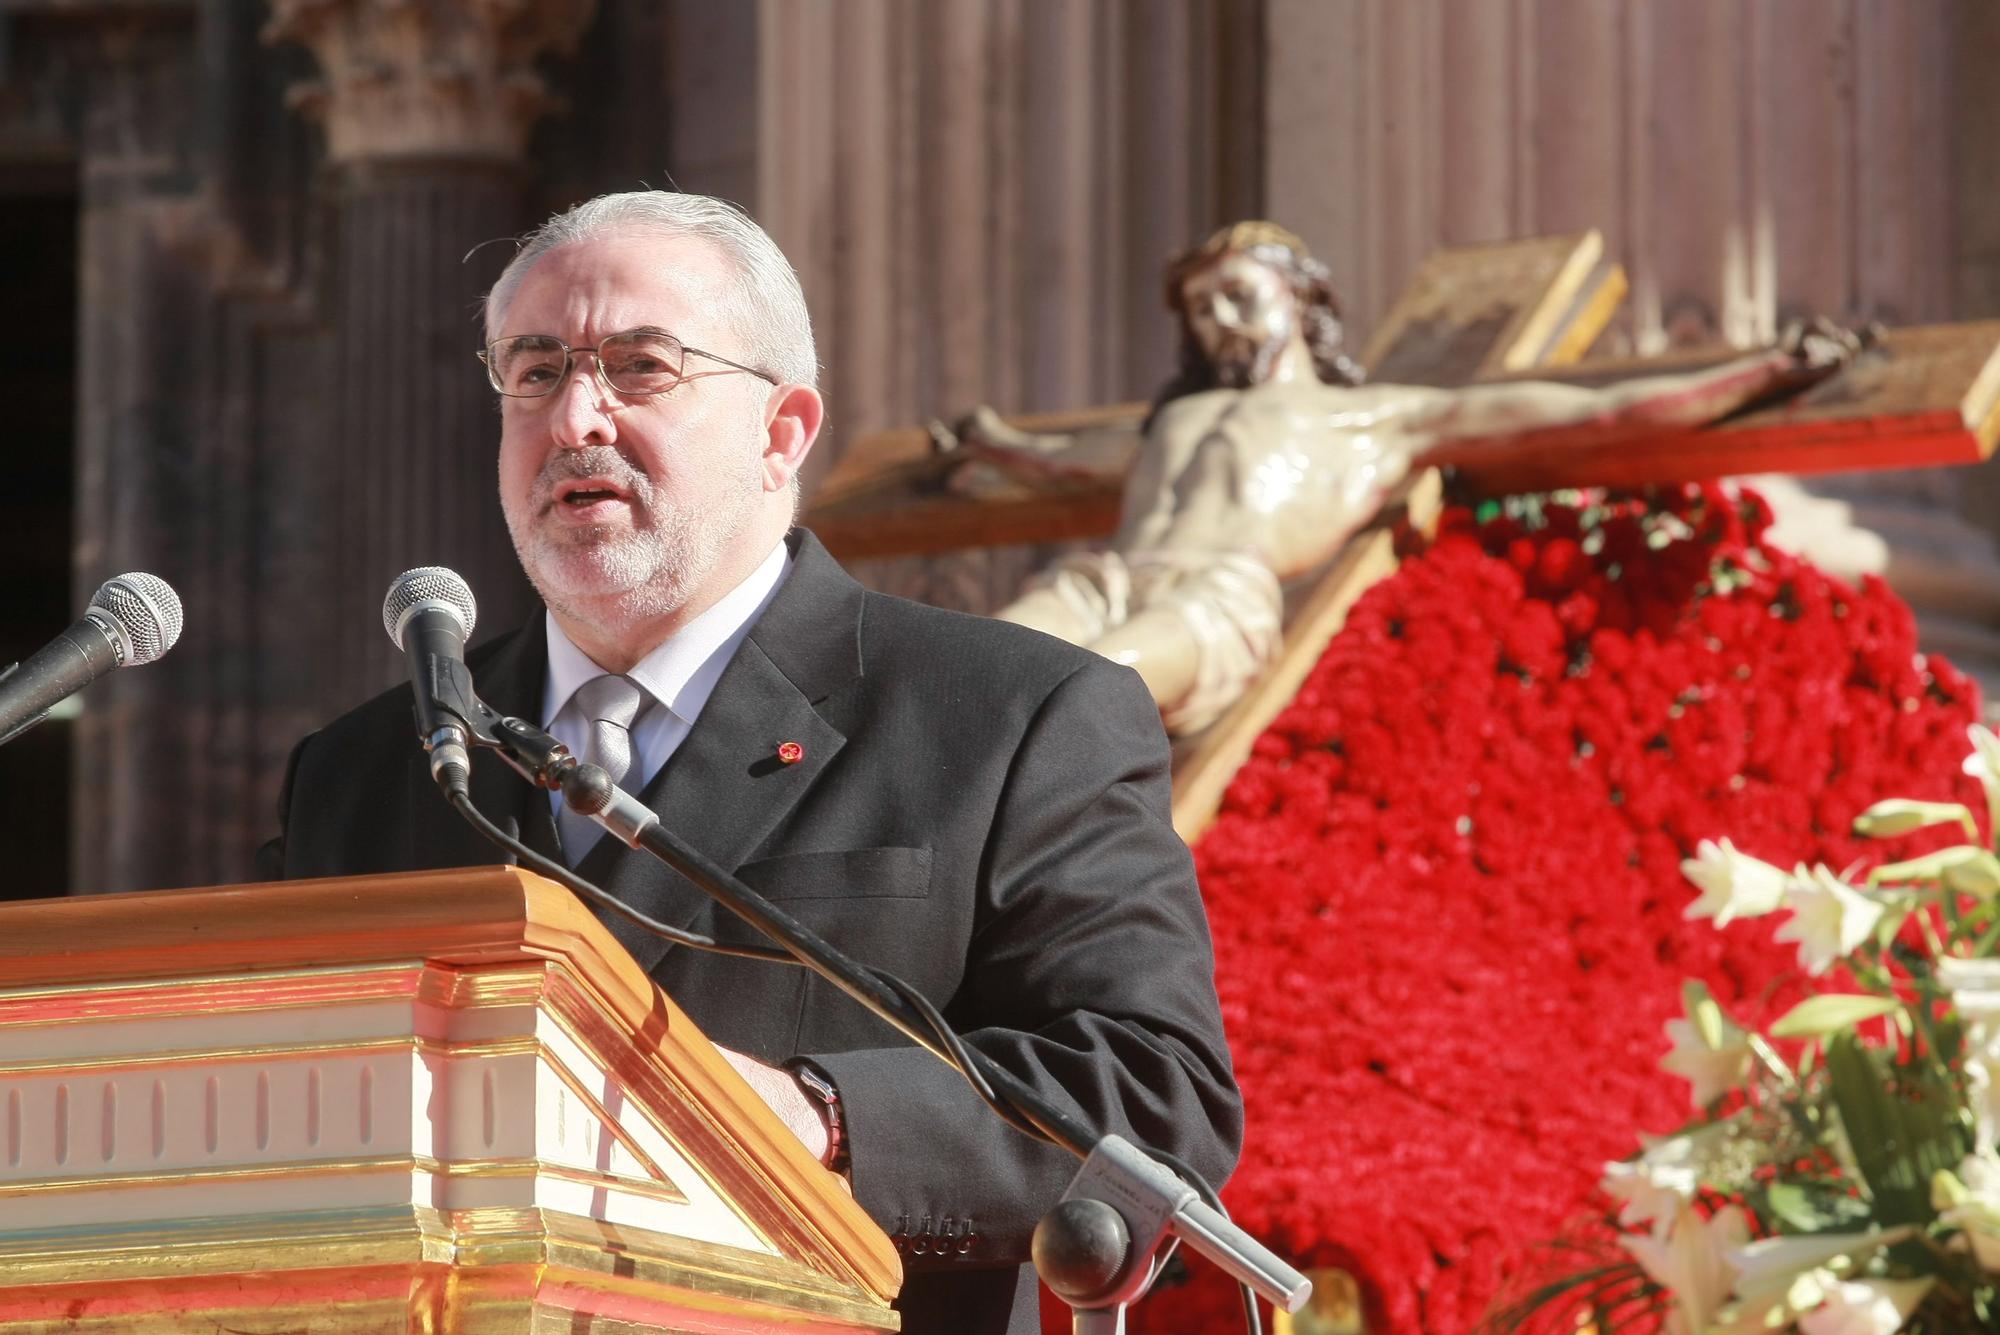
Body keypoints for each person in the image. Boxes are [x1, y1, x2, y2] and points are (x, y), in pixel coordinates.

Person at [259, 191, 1241, 1335]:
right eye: (533, 372)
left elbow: (1153, 1098)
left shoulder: (1015, 716)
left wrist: (818, 1116)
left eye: (639, 366)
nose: (576, 415)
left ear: (781, 432)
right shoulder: (373, 766)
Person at [942, 221, 1861, 734]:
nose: (1218, 318)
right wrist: (984, 446)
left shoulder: (1375, 420)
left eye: (1237, 293)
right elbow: (1052, 463)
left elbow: (1598, 411)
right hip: (1103, 576)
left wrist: (1758, 374)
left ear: (1298, 296)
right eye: (1198, 307)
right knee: (962, 680)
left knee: (1078, 695)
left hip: (1212, 600)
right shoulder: (1172, 421)